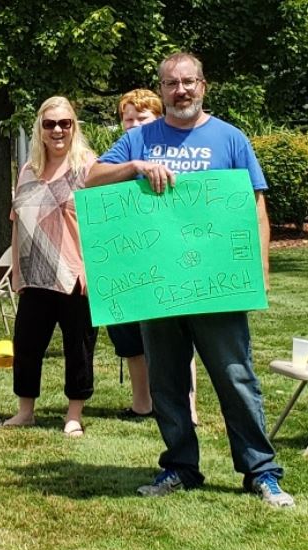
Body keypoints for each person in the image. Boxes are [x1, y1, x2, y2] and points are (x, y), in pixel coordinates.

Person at [86, 52, 293, 507]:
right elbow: (91, 177)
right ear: (161, 90)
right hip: (158, 287)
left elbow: (255, 207)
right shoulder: (141, 138)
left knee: (236, 378)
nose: (181, 90)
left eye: (189, 82)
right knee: (166, 382)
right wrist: (135, 167)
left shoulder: (230, 138)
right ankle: (180, 467)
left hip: (217, 286)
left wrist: (259, 270)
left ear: (203, 85)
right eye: (171, 83)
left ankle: (261, 470)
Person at [0, 97, 97, 439]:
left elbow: (101, 224)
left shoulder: (87, 167)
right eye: (50, 123)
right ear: (39, 127)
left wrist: (91, 270)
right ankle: (25, 411)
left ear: (74, 127)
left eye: (64, 123)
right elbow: (17, 220)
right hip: (34, 272)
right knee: (26, 345)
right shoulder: (28, 170)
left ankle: (74, 415)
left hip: (74, 275)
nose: (57, 130)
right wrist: (16, 267)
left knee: (78, 347)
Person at [107, 89, 200, 424]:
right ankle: (142, 403)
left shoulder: (171, 149)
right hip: (128, 258)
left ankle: (188, 407)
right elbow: (92, 178)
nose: (133, 124)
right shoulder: (120, 153)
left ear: (158, 117)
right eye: (127, 118)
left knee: (180, 331)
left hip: (171, 258)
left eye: (141, 118)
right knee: (129, 334)